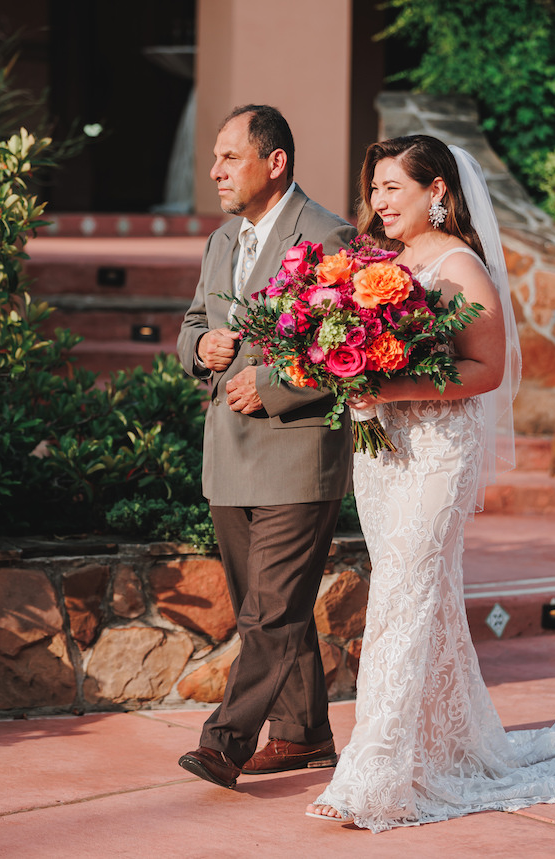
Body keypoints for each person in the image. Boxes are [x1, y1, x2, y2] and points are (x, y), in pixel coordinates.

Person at [305, 135, 555, 831]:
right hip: (383, 453)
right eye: (374, 188)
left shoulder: (461, 267)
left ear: (438, 192)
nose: (378, 201)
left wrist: (387, 384)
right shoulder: (374, 264)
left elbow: (484, 370)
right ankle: (448, 745)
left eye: (393, 187)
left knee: (403, 593)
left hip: (435, 454)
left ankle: (376, 771)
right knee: (421, 591)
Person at [176, 104, 356, 789]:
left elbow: (345, 345)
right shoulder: (222, 241)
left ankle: (225, 740)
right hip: (229, 456)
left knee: (270, 611)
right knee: (274, 608)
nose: (215, 170)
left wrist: (275, 381)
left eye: (229, 157)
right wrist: (203, 346)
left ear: (274, 161)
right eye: (215, 158)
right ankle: (304, 732)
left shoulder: (328, 235)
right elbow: (193, 322)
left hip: (297, 454)